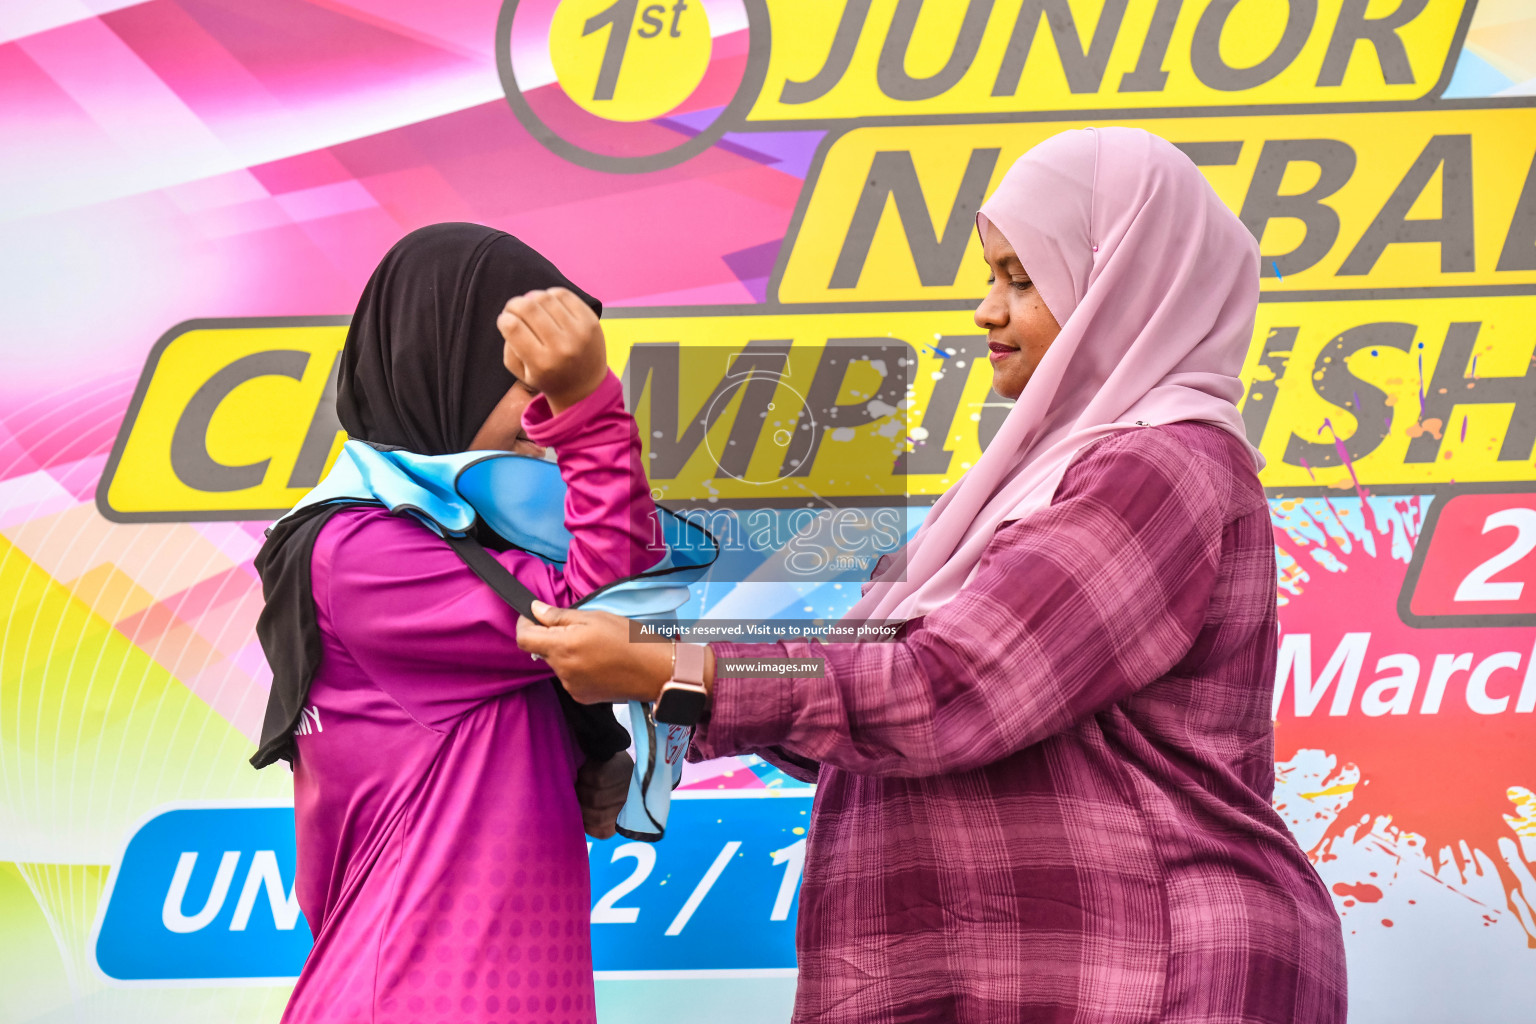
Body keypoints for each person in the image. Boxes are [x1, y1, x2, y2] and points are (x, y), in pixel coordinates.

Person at [515, 128, 1349, 1023]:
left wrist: (682, 668)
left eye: (1023, 280)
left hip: (1145, 966)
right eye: (992, 276)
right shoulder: (1005, 497)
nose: (988, 310)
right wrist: (667, 679)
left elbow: (946, 685)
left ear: (1126, 288)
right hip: (1015, 962)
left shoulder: (1162, 468)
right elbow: (849, 686)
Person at [250, 223, 652, 1024]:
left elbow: (590, 645)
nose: (546, 426)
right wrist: (592, 412)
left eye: (556, 389)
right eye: (529, 390)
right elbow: (614, 609)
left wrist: (587, 747)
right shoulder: (359, 552)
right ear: (439, 371)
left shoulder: (447, 545)